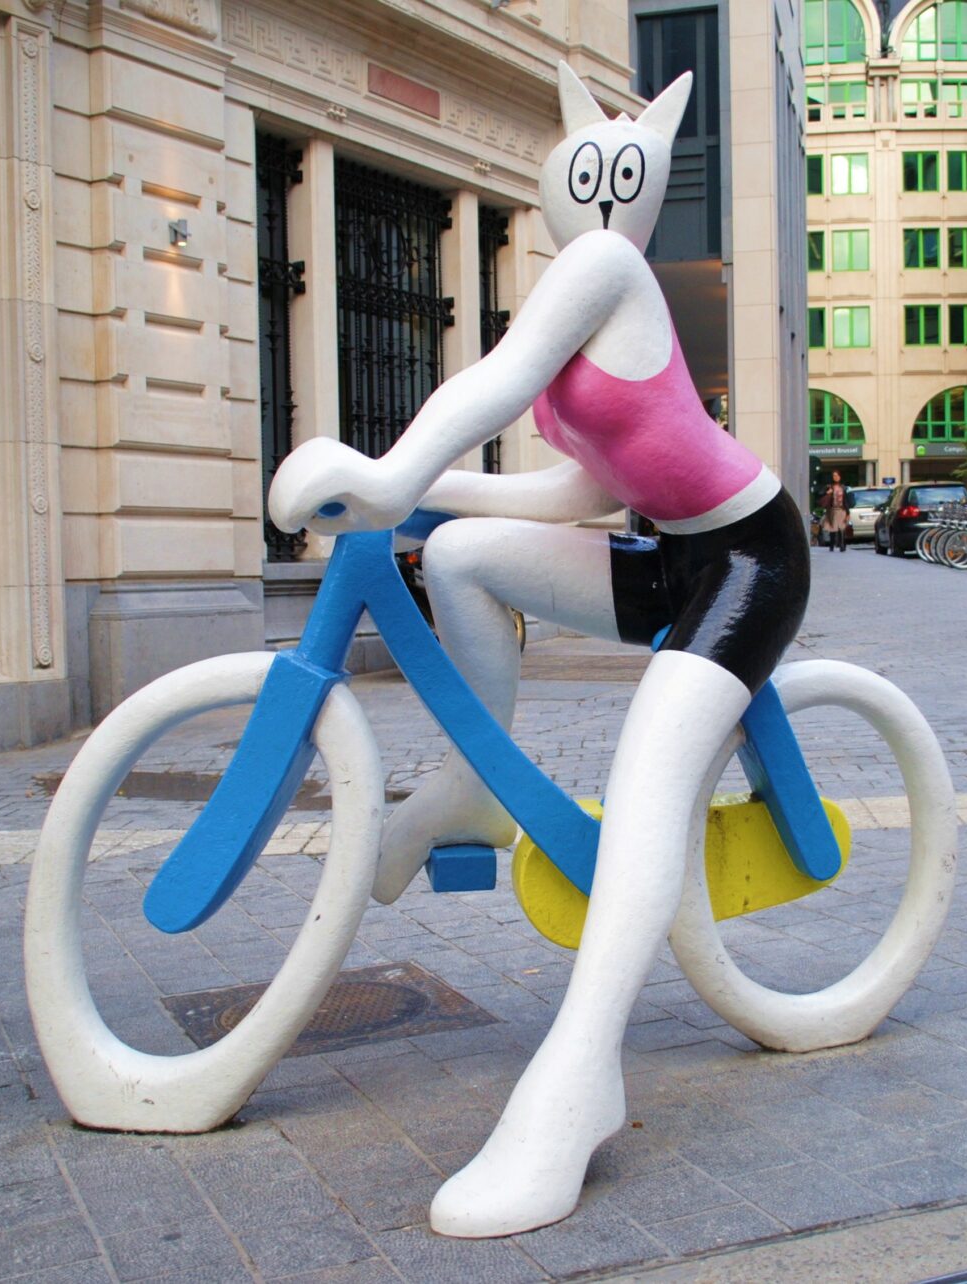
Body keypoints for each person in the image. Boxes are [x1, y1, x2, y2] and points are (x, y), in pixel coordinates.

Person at [268, 65, 808, 1237]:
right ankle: (474, 791)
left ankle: (582, 1075)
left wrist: (389, 476)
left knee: (650, 775)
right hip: (662, 554)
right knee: (461, 555)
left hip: (747, 558)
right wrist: (419, 502)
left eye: (622, 174)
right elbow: (579, 491)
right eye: (587, 172)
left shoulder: (606, 267)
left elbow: (495, 382)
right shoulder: (590, 298)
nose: (603, 194)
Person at [820, 471, 851, 553]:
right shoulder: (829, 486)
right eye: (834, 476)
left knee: (842, 528)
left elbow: (846, 500)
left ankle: (842, 545)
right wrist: (827, 492)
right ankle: (832, 545)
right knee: (833, 528)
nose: (835, 477)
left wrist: (848, 512)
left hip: (842, 509)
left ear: (840, 477)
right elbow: (820, 494)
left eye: (837, 475)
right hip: (832, 510)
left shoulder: (843, 487)